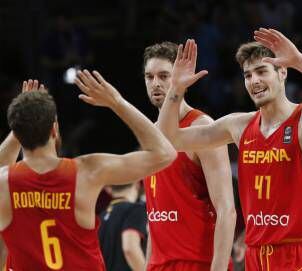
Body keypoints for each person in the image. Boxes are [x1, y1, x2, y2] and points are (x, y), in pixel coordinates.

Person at [157, 29, 302, 270]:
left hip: (300, 252)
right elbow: (171, 137)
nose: (254, 81)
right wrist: (176, 90)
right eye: (248, 75)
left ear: (282, 72)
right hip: (256, 254)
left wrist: (299, 61)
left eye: (262, 71)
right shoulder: (238, 125)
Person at [0, 71, 176, 270]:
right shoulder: (86, 171)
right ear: (54, 129)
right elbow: (165, 153)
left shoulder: (4, 182)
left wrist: (23, 121)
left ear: (18, 132)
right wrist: (117, 102)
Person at [143, 42, 236, 271]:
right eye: (149, 76)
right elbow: (153, 217)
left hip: (198, 262)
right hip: (160, 264)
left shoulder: (202, 126)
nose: (156, 83)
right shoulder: (149, 134)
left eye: (164, 76)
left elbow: (226, 209)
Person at [99, 183, 147, 271]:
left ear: (108, 189)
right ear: (136, 184)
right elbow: (130, 248)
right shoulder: (135, 210)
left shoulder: (102, 215)